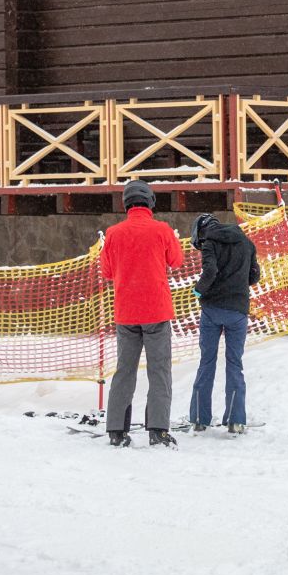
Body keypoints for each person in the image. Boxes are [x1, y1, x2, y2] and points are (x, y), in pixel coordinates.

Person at [100, 180, 184, 448]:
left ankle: (116, 430)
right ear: (150, 202)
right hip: (156, 311)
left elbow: (107, 272)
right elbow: (177, 261)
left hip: (126, 312)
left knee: (125, 370)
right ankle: (158, 430)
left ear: (126, 203)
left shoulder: (113, 233)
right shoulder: (162, 230)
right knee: (159, 371)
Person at [189, 212, 260, 435]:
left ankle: (200, 418)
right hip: (238, 311)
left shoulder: (210, 242)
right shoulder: (246, 242)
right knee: (234, 363)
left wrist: (198, 290)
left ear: (201, 231)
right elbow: (255, 275)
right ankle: (235, 420)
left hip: (212, 310)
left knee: (207, 362)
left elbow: (210, 271)